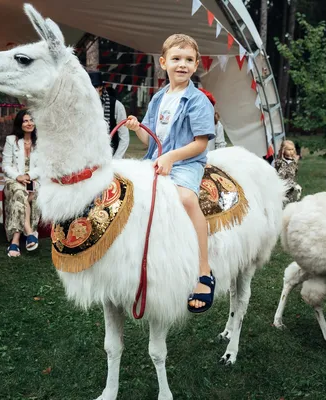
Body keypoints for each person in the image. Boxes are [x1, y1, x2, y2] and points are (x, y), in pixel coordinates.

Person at [125, 34, 216, 313]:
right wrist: (137, 127)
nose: (182, 64)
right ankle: (141, 259)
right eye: (176, 59)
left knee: (186, 199)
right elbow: (149, 141)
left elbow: (201, 143)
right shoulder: (158, 99)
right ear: (163, 62)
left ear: (196, 65)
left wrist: (171, 157)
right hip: (157, 159)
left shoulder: (198, 101)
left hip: (186, 163)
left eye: (189, 60)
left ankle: (204, 271)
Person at [2, 109, 41, 257]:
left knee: (31, 194)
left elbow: (43, 167)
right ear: (20, 123)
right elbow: (6, 165)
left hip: (33, 179)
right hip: (14, 181)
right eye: (25, 120)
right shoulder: (11, 140)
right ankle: (28, 233)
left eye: (31, 120)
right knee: (20, 192)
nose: (29, 123)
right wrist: (18, 176)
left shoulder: (40, 142)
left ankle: (15, 242)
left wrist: (28, 175)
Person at [88, 71, 130, 159]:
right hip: (89, 157)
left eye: (95, 87)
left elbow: (124, 137)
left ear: (100, 87)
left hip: (112, 155)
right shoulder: (83, 105)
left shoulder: (116, 106)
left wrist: (116, 159)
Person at [274, 140, 302, 205]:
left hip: (291, 186)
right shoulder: (279, 162)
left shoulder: (293, 162)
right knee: (282, 202)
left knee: (291, 201)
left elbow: (294, 173)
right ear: (283, 150)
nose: (291, 151)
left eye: (292, 149)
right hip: (282, 185)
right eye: (288, 149)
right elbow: (280, 175)